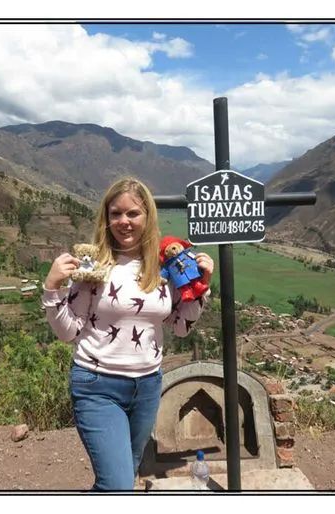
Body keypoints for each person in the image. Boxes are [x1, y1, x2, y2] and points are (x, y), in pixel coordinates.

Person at [41, 178, 213, 491]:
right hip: (98, 385)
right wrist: (52, 288)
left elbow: (180, 326)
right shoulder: (94, 266)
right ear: (105, 219)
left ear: (147, 217)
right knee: (117, 485)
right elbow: (68, 332)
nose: (124, 221)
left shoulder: (165, 268)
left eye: (132, 213)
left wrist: (201, 287)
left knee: (126, 477)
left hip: (147, 386)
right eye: (116, 214)